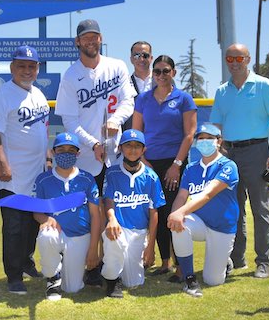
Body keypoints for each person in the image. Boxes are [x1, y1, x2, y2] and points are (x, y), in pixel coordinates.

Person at [55, 19, 136, 285]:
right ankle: (93, 263)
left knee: (114, 208)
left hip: (116, 153)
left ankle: (113, 264)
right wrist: (93, 143)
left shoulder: (117, 66)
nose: (91, 41)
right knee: (92, 211)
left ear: (101, 39)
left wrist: (116, 119)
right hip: (88, 157)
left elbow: (128, 100)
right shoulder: (70, 75)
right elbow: (69, 120)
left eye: (95, 36)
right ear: (77, 42)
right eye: (85, 37)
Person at [210, 43, 269, 279]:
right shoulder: (222, 91)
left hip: (257, 151)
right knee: (234, 209)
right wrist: (216, 150)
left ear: (248, 59)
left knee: (260, 209)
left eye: (238, 58)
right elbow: (217, 126)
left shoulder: (263, 85)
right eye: (229, 59)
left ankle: (263, 262)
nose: (233, 63)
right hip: (229, 153)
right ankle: (236, 259)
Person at [0, 45, 50, 295]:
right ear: (12, 67)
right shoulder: (1, 95)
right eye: (21, 65)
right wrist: (2, 163)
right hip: (12, 173)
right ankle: (13, 276)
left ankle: (26, 263)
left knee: (32, 225)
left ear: (37, 69)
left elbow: (41, 130)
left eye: (31, 66)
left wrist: (48, 156)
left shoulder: (39, 94)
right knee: (13, 226)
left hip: (36, 172)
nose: (26, 70)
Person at [132, 55, 196, 281]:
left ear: (173, 72)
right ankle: (164, 262)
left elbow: (189, 135)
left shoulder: (184, 99)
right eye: (157, 71)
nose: (161, 75)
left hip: (174, 163)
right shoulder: (143, 99)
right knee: (155, 211)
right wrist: (144, 162)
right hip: (149, 163)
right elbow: (137, 134)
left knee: (174, 212)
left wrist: (176, 165)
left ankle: (181, 264)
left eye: (165, 71)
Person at [167, 123, 239, 297]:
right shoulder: (191, 168)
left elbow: (207, 195)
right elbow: (182, 197)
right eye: (201, 138)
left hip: (222, 226)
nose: (205, 142)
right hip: (198, 221)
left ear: (219, 141)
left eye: (210, 138)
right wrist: (174, 215)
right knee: (179, 225)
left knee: (213, 280)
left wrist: (180, 213)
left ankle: (225, 262)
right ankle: (189, 279)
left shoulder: (228, 166)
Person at [33, 133, 101, 300]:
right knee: (47, 236)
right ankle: (52, 278)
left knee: (72, 289)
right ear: (54, 152)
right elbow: (36, 212)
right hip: (57, 232)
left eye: (71, 150)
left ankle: (66, 265)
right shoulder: (43, 179)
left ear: (78, 154)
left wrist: (93, 248)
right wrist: (46, 219)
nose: (66, 153)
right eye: (61, 149)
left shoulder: (87, 179)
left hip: (80, 234)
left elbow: (95, 215)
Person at [100, 130, 165, 298]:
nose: (133, 150)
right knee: (113, 237)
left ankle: (112, 269)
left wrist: (150, 247)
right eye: (128, 145)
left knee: (134, 283)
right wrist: (112, 219)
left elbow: (154, 212)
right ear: (121, 148)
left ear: (144, 150)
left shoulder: (151, 176)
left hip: (139, 232)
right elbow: (108, 200)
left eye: (138, 146)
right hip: (119, 227)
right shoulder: (112, 172)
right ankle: (112, 281)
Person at [122, 41, 153, 131]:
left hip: (159, 140)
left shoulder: (164, 82)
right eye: (136, 55)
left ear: (151, 58)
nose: (141, 59)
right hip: (133, 141)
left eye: (145, 55)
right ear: (131, 59)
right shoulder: (123, 84)